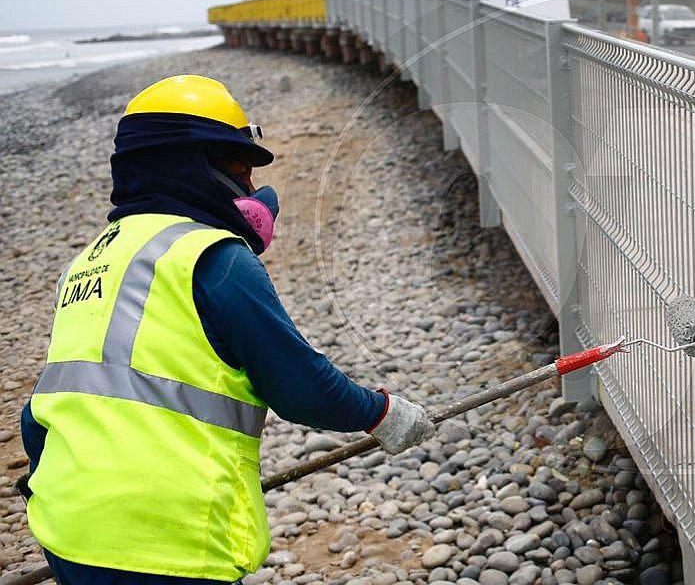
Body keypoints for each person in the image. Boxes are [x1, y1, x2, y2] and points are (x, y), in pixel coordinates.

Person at [18, 75, 434, 584]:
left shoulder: (87, 263)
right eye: (240, 171)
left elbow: (40, 412)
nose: (252, 191)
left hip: (68, 530)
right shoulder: (214, 258)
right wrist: (384, 414)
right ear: (192, 166)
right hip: (165, 543)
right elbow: (303, 390)